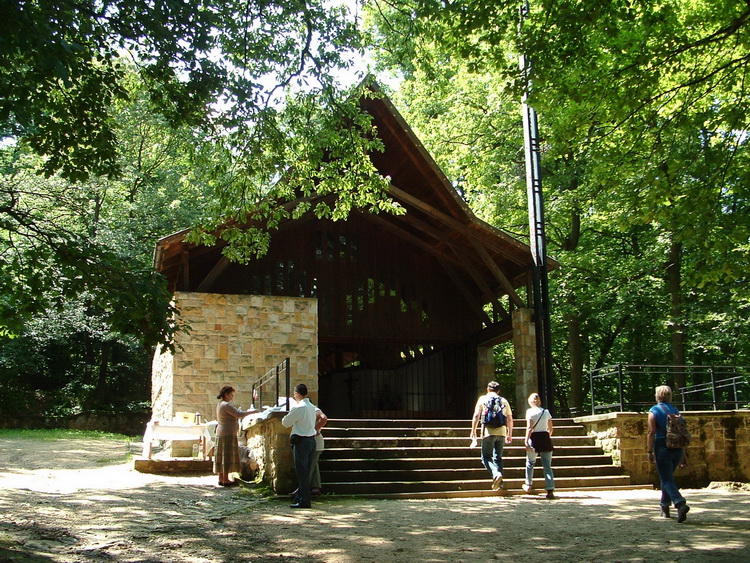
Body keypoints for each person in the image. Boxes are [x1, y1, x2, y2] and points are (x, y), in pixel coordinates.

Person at [647, 385, 690, 522]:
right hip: (677, 448)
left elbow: (651, 432)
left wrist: (649, 451)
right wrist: (683, 454)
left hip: (662, 446)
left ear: (657, 396)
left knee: (666, 479)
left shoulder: (654, 410)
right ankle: (665, 507)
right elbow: (681, 433)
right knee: (667, 477)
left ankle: (680, 503)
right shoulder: (676, 411)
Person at [470, 381, 513, 490]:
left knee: (485, 457)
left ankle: (496, 474)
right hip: (502, 432)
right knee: (498, 457)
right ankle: (501, 484)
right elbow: (509, 418)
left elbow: (476, 415)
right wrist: (510, 433)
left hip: (487, 432)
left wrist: (473, 430)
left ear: (488, 389)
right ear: (498, 391)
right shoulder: (503, 400)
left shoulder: (482, 399)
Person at [281, 383, 318, 508]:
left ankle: (304, 500)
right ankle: (301, 497)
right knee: (306, 471)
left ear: (296, 394)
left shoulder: (299, 407)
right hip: (312, 441)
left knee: (302, 472)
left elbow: (286, 422)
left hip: (301, 441)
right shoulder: (312, 407)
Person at [214, 385, 257, 487]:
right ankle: (225, 479)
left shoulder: (220, 404)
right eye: (231, 394)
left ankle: (221, 478)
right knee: (226, 456)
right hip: (227, 433)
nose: (232, 397)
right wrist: (253, 412)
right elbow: (238, 414)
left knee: (222, 456)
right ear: (226, 394)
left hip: (222, 432)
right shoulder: (226, 405)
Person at [523, 392, 555, 499]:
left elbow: (529, 428)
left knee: (530, 463)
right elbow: (551, 428)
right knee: (547, 466)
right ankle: (550, 489)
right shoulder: (546, 412)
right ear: (539, 401)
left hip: (534, 438)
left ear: (530, 402)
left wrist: (526, 440)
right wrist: (547, 436)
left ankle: (528, 484)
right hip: (545, 438)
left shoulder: (529, 412)